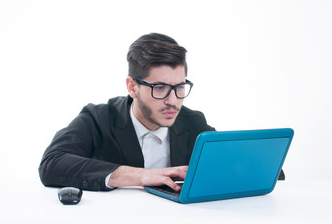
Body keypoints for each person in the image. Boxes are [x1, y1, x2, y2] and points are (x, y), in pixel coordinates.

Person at [38, 33, 215, 192]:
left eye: (179, 87)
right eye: (160, 88)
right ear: (132, 87)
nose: (173, 101)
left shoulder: (194, 122)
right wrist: (141, 176)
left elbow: (231, 166)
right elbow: (51, 163)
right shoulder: (98, 119)